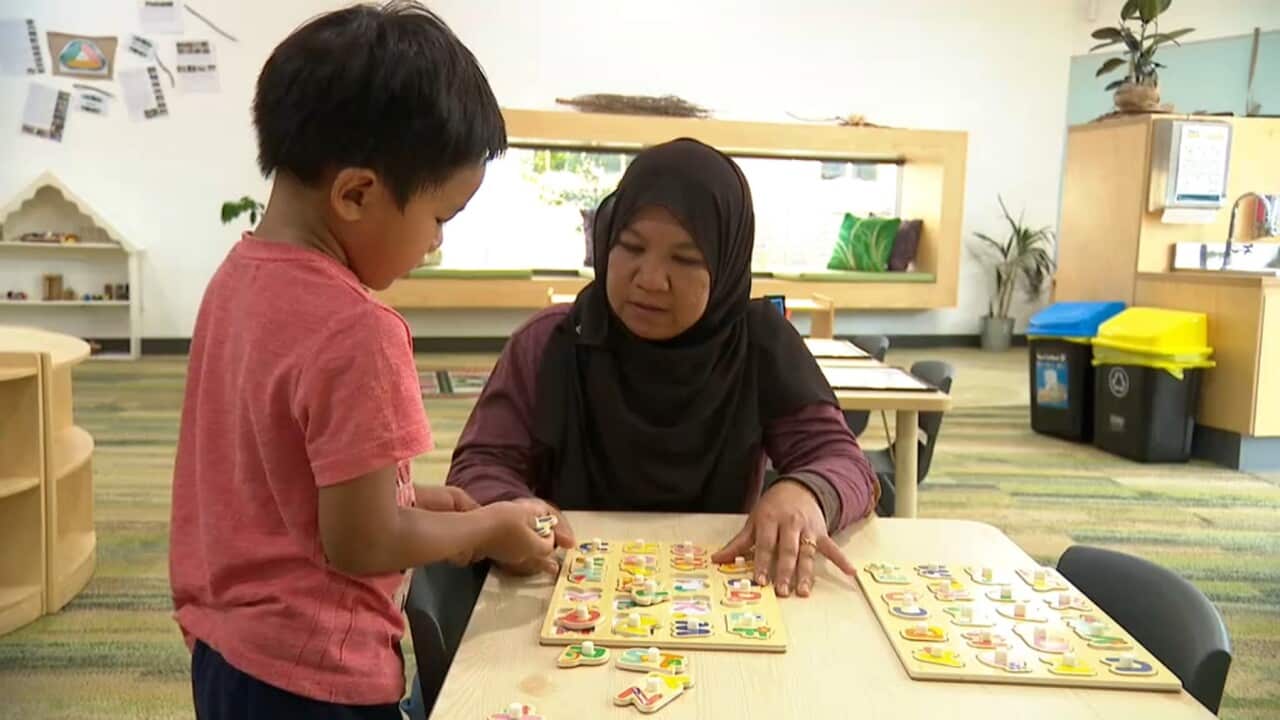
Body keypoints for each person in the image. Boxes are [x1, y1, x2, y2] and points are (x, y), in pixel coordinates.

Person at [168, 4, 566, 719]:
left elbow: (280, 477)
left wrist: (419, 500)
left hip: (227, 651)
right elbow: (362, 540)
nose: (436, 245)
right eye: (440, 218)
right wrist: (487, 529)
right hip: (316, 674)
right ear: (355, 193)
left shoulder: (236, 278)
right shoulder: (360, 328)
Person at [447, 138, 879, 598]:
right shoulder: (550, 343)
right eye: (631, 247)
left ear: (726, 265)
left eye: (686, 259)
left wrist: (806, 494)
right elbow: (479, 466)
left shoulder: (757, 343)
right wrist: (515, 508)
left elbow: (845, 463)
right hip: (562, 589)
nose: (650, 279)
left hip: (715, 589)